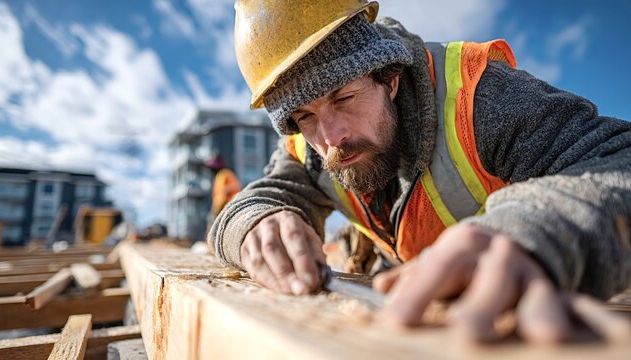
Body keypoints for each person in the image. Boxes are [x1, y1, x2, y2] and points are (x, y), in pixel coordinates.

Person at [210, 0, 631, 343]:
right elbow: (258, 198)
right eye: (304, 116)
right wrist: (253, 224)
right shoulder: (309, 149)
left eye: (345, 97)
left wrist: (533, 233)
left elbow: (620, 161)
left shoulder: (480, 100)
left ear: (389, 79)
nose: (331, 138)